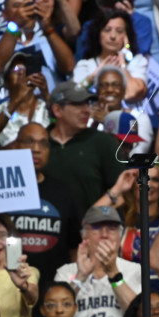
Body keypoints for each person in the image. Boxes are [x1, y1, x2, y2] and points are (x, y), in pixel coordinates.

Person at [54, 207, 141, 317]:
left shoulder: (134, 270)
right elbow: (56, 312)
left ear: (120, 236)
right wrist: (80, 277)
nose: (104, 235)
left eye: (112, 229)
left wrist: (113, 273)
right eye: (96, 228)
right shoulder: (65, 272)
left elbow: (139, 315)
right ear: (84, 235)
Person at [8, 123, 81, 290]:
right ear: (15, 145)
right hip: (7, 289)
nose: (36, 149)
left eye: (43, 143)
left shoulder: (63, 192)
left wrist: (73, 285)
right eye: (28, 141)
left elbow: (74, 246)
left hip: (53, 294)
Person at [43, 82, 125, 217]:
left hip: (91, 233)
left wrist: (96, 221)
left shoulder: (102, 142)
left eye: (88, 104)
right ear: (57, 110)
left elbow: (122, 195)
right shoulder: (40, 143)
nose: (87, 110)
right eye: (78, 104)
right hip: (47, 231)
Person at [0, 0, 75, 90]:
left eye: (28, 6)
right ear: (5, 15)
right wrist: (15, 25)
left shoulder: (48, 41)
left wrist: (48, 28)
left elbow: (69, 67)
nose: (24, 11)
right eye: (17, 6)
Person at [90, 166, 159, 263]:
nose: (148, 184)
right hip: (125, 277)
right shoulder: (120, 217)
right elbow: (89, 219)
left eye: (155, 179)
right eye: (141, 179)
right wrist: (117, 188)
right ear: (132, 183)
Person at [72, 10, 149, 104]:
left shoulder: (137, 61)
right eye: (107, 30)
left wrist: (123, 65)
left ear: (126, 36)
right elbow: (73, 95)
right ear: (98, 34)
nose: (113, 36)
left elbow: (132, 93)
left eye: (119, 31)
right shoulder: (85, 65)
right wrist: (94, 76)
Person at [0, 52, 51, 148]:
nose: (21, 72)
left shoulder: (46, 107)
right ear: (6, 82)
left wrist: (46, 95)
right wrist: (17, 99)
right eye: (16, 69)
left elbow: (57, 124)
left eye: (25, 69)